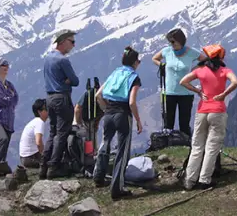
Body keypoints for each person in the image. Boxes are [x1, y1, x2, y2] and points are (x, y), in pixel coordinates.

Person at [179, 44, 237, 190]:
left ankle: (189, 180)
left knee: (197, 146)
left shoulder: (200, 70)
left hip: (202, 111)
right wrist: (224, 94)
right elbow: (235, 82)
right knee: (212, 147)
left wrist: (197, 91)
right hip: (217, 111)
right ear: (221, 57)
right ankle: (204, 180)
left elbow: (183, 81)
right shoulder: (225, 70)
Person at [93, 47, 144, 201]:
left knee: (105, 144)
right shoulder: (134, 77)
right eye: (139, 61)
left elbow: (98, 95)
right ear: (135, 62)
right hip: (123, 115)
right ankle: (117, 188)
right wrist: (138, 120)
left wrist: (105, 109)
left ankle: (98, 177)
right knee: (122, 151)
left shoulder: (115, 73)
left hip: (108, 113)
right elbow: (132, 102)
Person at [41, 29, 80, 179]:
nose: (73, 45)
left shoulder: (48, 58)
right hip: (62, 97)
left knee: (52, 132)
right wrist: (67, 81)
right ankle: (54, 166)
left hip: (49, 98)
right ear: (63, 41)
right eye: (72, 42)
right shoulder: (63, 60)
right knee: (62, 132)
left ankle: (44, 165)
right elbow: (75, 81)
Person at [152, 28, 206, 136]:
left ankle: (186, 143)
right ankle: (168, 144)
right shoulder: (167, 51)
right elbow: (155, 58)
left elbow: (205, 60)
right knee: (168, 123)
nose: (171, 44)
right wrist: (163, 66)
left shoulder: (191, 52)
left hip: (186, 93)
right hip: (169, 92)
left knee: (184, 123)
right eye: (169, 42)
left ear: (180, 41)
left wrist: (194, 70)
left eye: (173, 41)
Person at [19, 99, 50, 168]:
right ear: (39, 112)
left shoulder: (34, 122)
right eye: (46, 109)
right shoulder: (39, 122)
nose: (48, 111)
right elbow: (38, 142)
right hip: (30, 158)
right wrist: (43, 156)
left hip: (25, 158)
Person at [74, 81, 104, 151]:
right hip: (85, 120)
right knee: (89, 137)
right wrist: (79, 124)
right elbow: (77, 109)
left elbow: (77, 108)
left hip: (87, 119)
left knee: (89, 137)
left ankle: (89, 154)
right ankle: (90, 154)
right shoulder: (102, 97)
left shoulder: (88, 94)